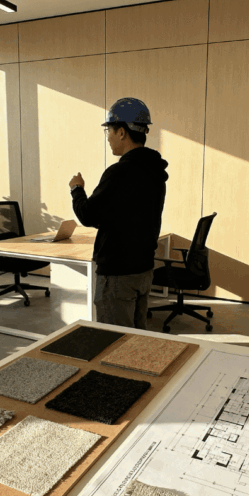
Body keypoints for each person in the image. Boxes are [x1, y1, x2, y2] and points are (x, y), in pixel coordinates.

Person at [69, 98, 168, 328]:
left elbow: (88, 215)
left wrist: (77, 189)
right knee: (136, 339)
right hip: (143, 270)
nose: (109, 139)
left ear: (122, 132)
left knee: (114, 340)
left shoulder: (119, 172)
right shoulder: (155, 171)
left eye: (109, 132)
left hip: (117, 274)